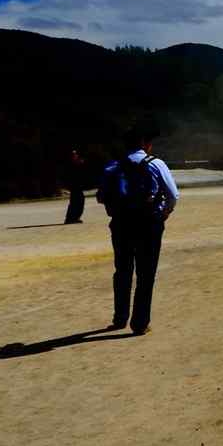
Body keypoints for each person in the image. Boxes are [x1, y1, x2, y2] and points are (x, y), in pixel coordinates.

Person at [97, 122, 180, 335]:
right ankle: (140, 323)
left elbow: (103, 197)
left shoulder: (112, 166)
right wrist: (164, 213)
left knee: (122, 270)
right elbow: (173, 195)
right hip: (149, 223)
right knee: (146, 273)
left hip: (121, 224)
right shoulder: (156, 163)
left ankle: (119, 317)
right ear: (145, 144)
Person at [62, 149, 92, 223]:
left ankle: (74, 217)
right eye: (73, 155)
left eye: (75, 154)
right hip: (74, 187)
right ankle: (70, 218)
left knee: (79, 202)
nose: (75, 156)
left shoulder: (76, 163)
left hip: (77, 186)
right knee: (75, 202)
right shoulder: (70, 164)